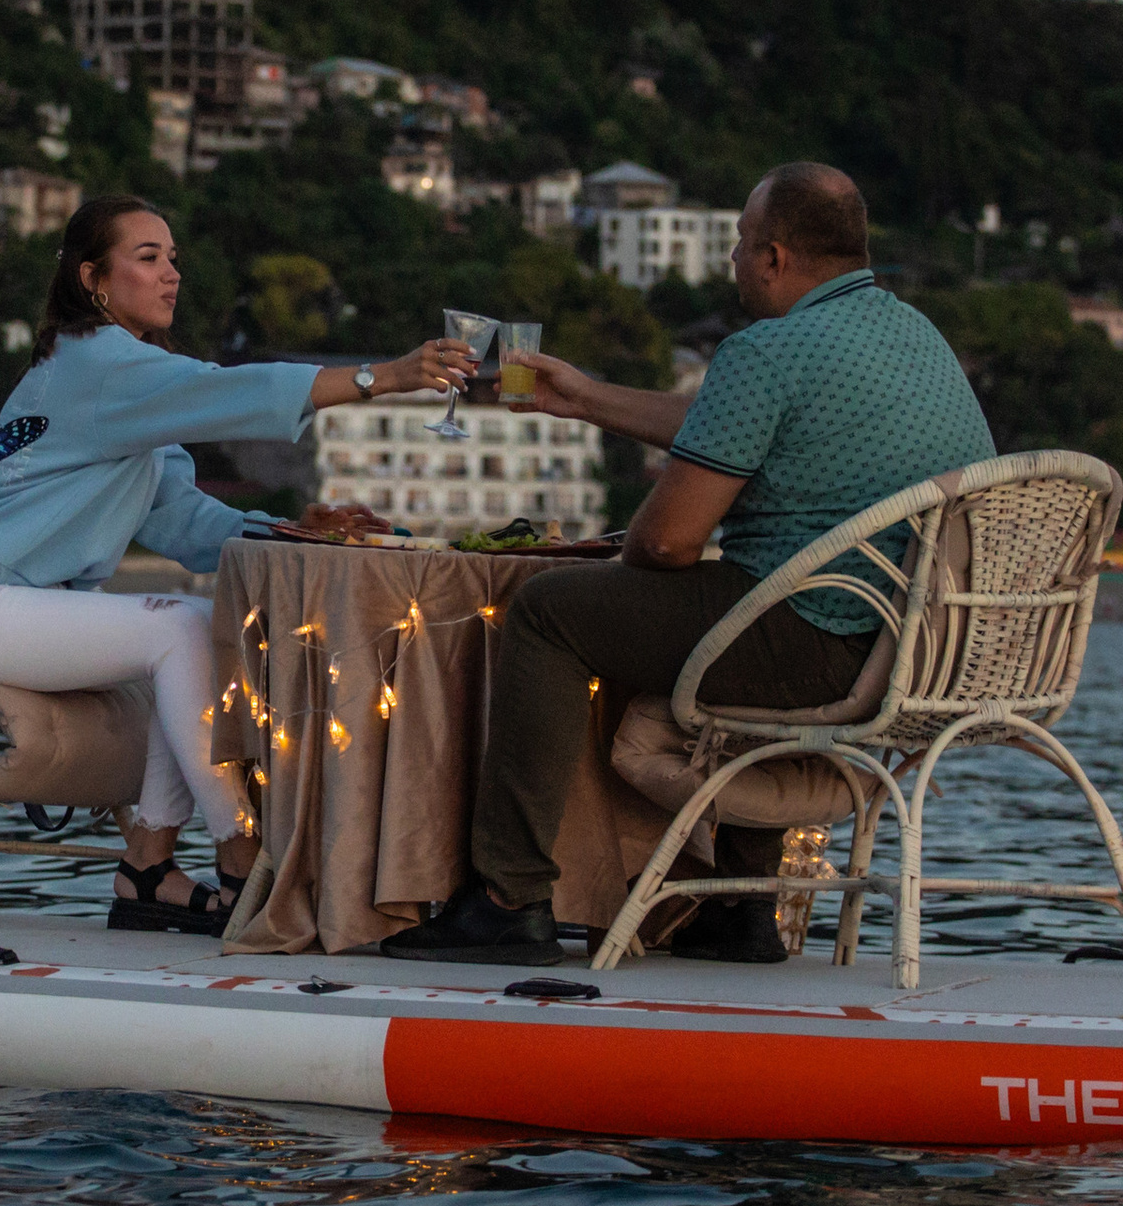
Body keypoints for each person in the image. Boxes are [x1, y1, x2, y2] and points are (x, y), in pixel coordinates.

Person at [382, 161, 995, 968]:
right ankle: (741, 910)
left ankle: (507, 900)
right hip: (924, 651)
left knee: (549, 612)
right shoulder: (916, 338)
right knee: (737, 600)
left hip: (820, 644)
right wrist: (587, 399)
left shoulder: (768, 350)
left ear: (774, 256)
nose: (732, 260)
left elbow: (666, 545)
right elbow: (731, 424)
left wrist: (638, 551)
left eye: (740, 243)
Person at [0, 193, 478, 935]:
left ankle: (149, 869)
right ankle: (243, 857)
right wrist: (381, 377)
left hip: (3, 605)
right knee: (187, 628)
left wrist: (293, 529)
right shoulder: (96, 363)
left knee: (194, 629)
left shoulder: (126, 390)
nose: (171, 273)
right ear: (92, 279)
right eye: (148, 258)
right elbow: (224, 390)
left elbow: (184, 521)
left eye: (173, 258)